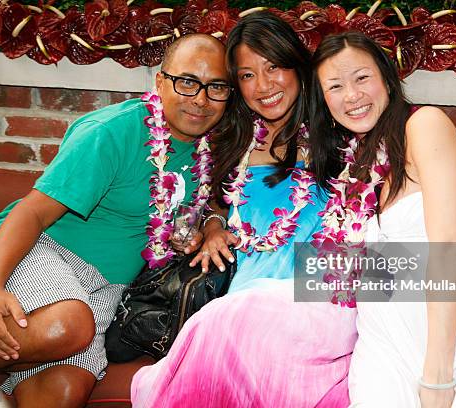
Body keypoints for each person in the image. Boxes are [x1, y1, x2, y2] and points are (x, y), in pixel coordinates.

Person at [0, 34, 229, 408]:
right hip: (38, 255)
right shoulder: (112, 132)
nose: (200, 98)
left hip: (108, 290)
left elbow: (211, 199)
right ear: (160, 81)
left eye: (216, 87)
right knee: (68, 325)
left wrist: (212, 225)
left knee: (65, 393)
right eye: (187, 82)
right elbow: (31, 212)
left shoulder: (208, 147)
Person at [131, 12, 357, 407]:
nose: (263, 86)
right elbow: (215, 202)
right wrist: (216, 224)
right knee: (227, 326)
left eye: (273, 67)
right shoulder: (234, 141)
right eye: (247, 75)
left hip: (312, 301)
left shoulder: (341, 137)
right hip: (242, 299)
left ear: (297, 67)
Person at [309, 31, 456, 407]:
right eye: (335, 86)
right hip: (387, 353)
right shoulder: (352, 167)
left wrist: (437, 375)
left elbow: (449, 247)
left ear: (386, 78)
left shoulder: (425, 125)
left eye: (362, 78)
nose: (351, 95)